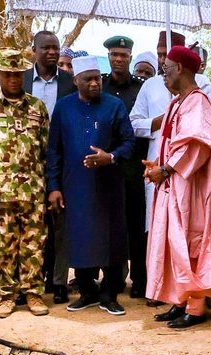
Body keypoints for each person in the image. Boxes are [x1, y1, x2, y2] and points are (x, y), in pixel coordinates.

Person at [143, 46, 211, 329]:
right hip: (173, 186)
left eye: (167, 68)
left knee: (192, 242)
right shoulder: (177, 102)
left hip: (192, 189)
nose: (164, 74)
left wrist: (166, 169)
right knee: (175, 243)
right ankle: (180, 300)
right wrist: (157, 166)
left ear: (181, 69)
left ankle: (196, 307)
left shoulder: (198, 102)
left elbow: (197, 146)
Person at [47, 55, 135, 314]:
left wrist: (111, 157)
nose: (95, 83)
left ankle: (109, 294)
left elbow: (128, 142)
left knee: (110, 239)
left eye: (97, 78)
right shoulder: (63, 107)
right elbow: (54, 150)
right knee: (79, 238)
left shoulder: (114, 105)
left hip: (108, 186)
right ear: (76, 81)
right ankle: (87, 291)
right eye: (88, 79)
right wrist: (54, 186)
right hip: (74, 186)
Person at [0, 48, 50, 318]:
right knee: (2, 245)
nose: (14, 79)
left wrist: (46, 184)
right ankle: (6, 296)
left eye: (18, 74)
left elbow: (46, 149)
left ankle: (34, 294)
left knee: (34, 244)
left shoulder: (37, 107)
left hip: (33, 189)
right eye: (8, 74)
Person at [130, 30, 211, 271]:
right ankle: (162, 286)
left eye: (165, 59)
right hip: (159, 166)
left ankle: (189, 295)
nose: (161, 63)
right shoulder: (150, 85)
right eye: (159, 56)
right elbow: (134, 123)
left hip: (187, 172)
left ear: (179, 65)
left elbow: (202, 133)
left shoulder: (201, 90)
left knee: (187, 230)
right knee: (157, 225)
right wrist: (159, 122)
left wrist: (168, 167)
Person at [25, 30, 77, 304]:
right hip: (26, 162)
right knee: (33, 223)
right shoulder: (20, 80)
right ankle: (30, 281)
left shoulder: (70, 82)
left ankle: (58, 281)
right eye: (46, 48)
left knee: (60, 222)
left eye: (55, 48)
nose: (52, 52)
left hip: (63, 161)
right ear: (34, 50)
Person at [101, 35, 150, 300]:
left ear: (131, 57)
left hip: (134, 166)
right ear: (108, 57)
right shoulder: (101, 86)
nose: (118, 60)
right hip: (108, 165)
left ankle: (140, 279)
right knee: (112, 224)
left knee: (135, 223)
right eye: (114, 55)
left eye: (123, 55)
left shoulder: (141, 87)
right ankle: (114, 278)